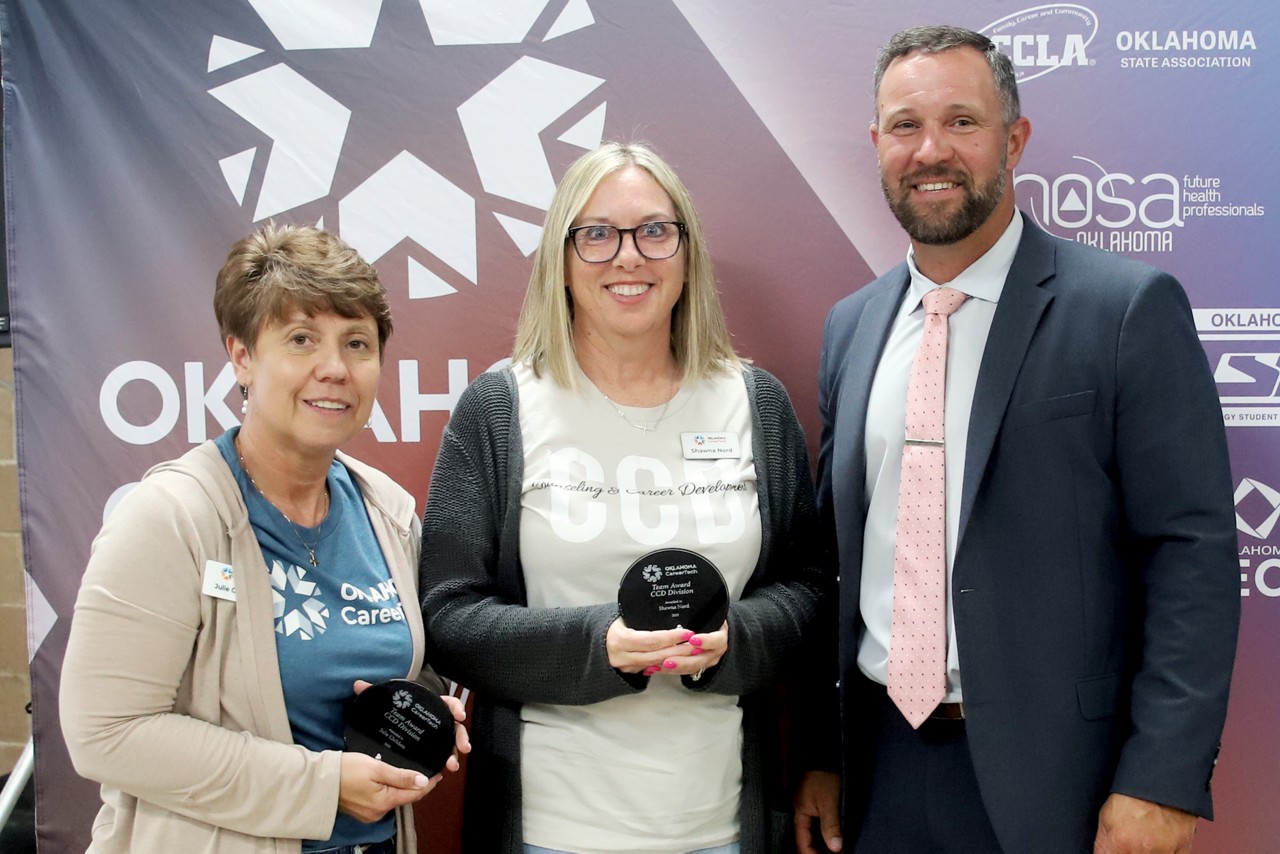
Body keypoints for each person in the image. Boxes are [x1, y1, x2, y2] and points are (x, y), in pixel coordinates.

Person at [793, 25, 1239, 854]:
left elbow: (1191, 551)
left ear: (1015, 138)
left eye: (962, 121)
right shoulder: (851, 328)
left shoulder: (1124, 309)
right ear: (877, 143)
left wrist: (1161, 776)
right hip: (880, 767)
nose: (931, 150)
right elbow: (836, 562)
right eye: (905, 125)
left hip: (1061, 780)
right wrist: (824, 752)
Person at [418, 141, 828, 853]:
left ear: (687, 252)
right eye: (598, 233)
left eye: (654, 231)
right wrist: (598, 646)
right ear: (562, 259)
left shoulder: (753, 403)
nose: (628, 256)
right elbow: (450, 618)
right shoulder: (501, 407)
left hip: (719, 826)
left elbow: (809, 587)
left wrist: (737, 642)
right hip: (550, 831)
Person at [61, 223, 469, 853]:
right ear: (242, 356)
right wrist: (321, 784)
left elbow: (418, 676)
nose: (334, 369)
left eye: (357, 343)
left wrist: (428, 714)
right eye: (301, 339)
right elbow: (106, 732)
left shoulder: (386, 512)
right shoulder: (171, 517)